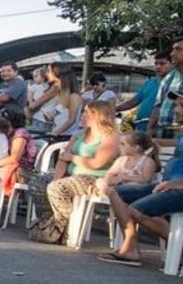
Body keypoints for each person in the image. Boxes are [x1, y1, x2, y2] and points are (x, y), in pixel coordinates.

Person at [98, 89, 183, 265]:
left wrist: (180, 183)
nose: (178, 110)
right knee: (115, 192)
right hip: (167, 186)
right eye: (177, 105)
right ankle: (131, 247)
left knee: (136, 209)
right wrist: (150, 142)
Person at [28, 101, 119, 244]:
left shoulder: (110, 137)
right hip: (70, 175)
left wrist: (72, 158)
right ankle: (48, 221)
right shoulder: (79, 134)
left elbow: (96, 163)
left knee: (58, 188)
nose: (82, 115)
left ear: (98, 116)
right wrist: (55, 178)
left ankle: (62, 228)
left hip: (94, 178)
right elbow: (63, 159)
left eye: (86, 113)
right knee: (38, 183)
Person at [116, 51, 171, 133]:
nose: (158, 66)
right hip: (140, 127)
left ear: (173, 64)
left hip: (160, 129)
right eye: (156, 64)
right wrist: (114, 108)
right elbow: (133, 102)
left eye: (162, 63)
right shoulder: (149, 82)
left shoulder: (174, 84)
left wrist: (151, 126)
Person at [148, 37, 183, 138]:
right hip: (162, 132)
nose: (172, 54)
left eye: (178, 49)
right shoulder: (169, 77)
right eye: (173, 50)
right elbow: (158, 105)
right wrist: (150, 129)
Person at [94, 131, 159, 198]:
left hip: (136, 191)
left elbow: (146, 179)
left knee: (133, 185)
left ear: (136, 148)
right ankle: (109, 191)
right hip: (118, 186)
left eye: (122, 144)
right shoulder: (121, 160)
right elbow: (110, 172)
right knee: (100, 181)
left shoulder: (147, 161)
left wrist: (124, 177)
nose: (119, 146)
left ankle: (108, 192)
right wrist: (109, 179)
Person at [27, 62, 82, 138]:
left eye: (49, 71)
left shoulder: (71, 96)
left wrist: (55, 133)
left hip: (62, 135)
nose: (46, 74)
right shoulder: (64, 94)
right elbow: (61, 116)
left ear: (56, 72)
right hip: (56, 131)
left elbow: (72, 120)